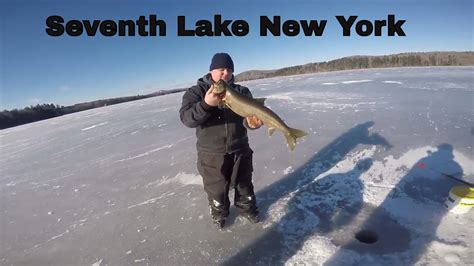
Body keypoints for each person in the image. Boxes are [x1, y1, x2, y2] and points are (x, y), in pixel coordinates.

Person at [179, 53, 263, 229]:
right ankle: (220, 214)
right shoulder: (195, 92)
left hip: (240, 148)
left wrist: (253, 123)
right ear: (211, 70)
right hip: (211, 154)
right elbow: (187, 119)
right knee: (216, 189)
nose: (225, 73)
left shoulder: (242, 92)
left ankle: (247, 209)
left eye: (229, 70)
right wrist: (206, 104)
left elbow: (249, 120)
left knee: (244, 185)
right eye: (221, 69)